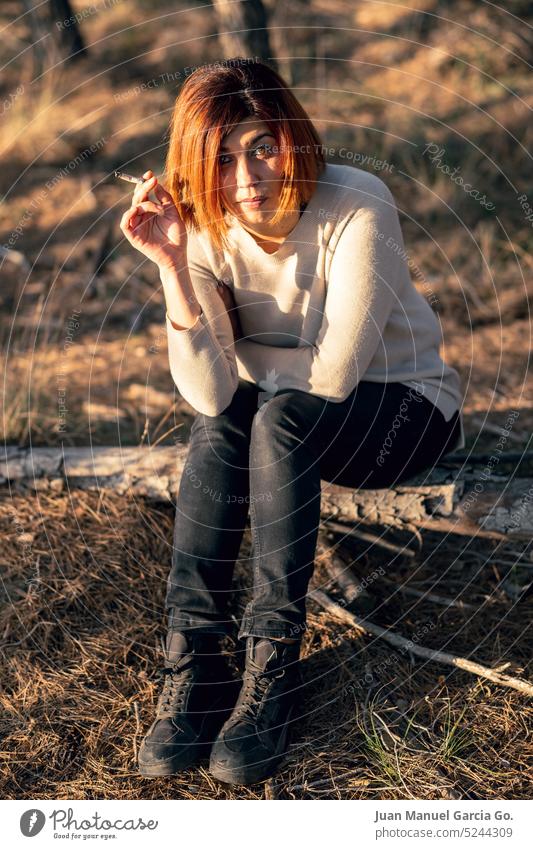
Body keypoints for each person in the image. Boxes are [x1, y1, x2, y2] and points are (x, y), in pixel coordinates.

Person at [119, 57, 464, 787]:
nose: (245, 176)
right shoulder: (201, 230)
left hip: (401, 412)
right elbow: (210, 396)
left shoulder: (356, 202)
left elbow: (336, 375)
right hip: (286, 418)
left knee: (274, 420)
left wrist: (241, 362)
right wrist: (174, 266)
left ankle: (272, 671)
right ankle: (196, 665)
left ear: (291, 138)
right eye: (220, 157)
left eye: (260, 145)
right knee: (223, 426)